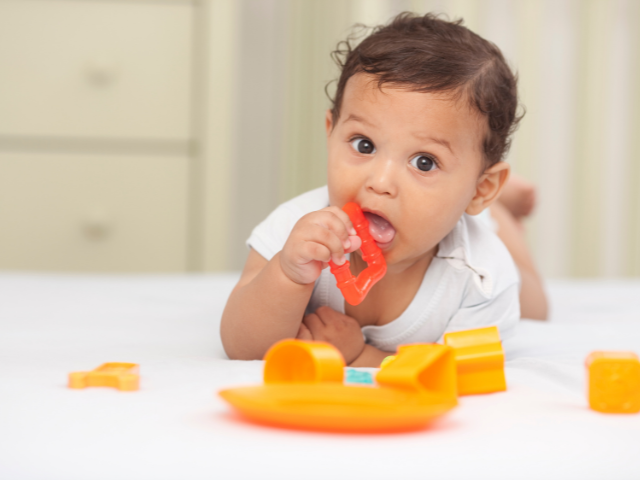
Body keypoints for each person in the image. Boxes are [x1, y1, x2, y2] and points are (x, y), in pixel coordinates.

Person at [221, 12, 548, 367]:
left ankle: (499, 214)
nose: (380, 182)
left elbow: (459, 372)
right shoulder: (294, 232)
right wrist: (287, 275)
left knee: (535, 306)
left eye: (424, 162)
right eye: (364, 145)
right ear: (331, 132)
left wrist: (360, 355)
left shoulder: (482, 274)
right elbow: (242, 347)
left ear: (481, 188)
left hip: (477, 227)